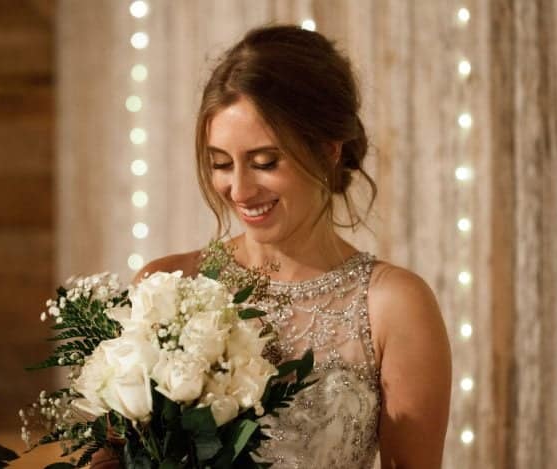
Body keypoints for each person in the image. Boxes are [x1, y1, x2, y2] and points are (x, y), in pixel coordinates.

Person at [95, 24, 451, 468]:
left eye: (265, 162)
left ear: (327, 150)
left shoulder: (393, 305)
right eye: (221, 164)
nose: (239, 190)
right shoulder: (166, 287)